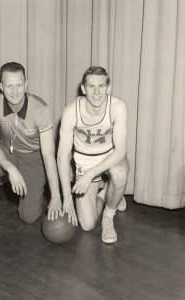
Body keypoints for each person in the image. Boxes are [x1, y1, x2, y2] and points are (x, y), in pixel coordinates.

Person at [0, 62, 62, 245]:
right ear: (1, 87)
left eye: (19, 85)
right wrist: (11, 169)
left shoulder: (41, 109)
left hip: (34, 157)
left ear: (26, 84)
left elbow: (49, 156)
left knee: (29, 217)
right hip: (7, 151)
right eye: (9, 86)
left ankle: (32, 188)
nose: (15, 91)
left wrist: (56, 196)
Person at [57, 66, 129, 244]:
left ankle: (108, 216)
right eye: (91, 86)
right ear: (83, 89)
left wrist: (90, 175)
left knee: (119, 173)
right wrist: (66, 198)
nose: (96, 92)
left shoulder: (117, 106)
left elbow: (120, 151)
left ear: (108, 88)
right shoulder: (71, 111)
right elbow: (62, 157)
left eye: (101, 86)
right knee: (87, 225)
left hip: (110, 157)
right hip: (84, 160)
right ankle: (106, 194)